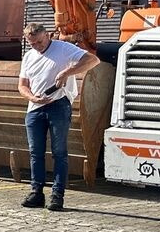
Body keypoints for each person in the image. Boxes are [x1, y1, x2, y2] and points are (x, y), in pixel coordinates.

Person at [17, 22, 100, 211]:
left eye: (38, 42)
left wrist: (67, 72)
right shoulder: (29, 57)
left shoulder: (63, 48)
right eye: (32, 44)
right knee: (35, 152)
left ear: (47, 35)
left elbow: (93, 60)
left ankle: (57, 195)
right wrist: (32, 98)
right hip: (35, 107)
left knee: (59, 152)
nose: (36, 47)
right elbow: (22, 85)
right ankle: (36, 192)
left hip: (58, 105)